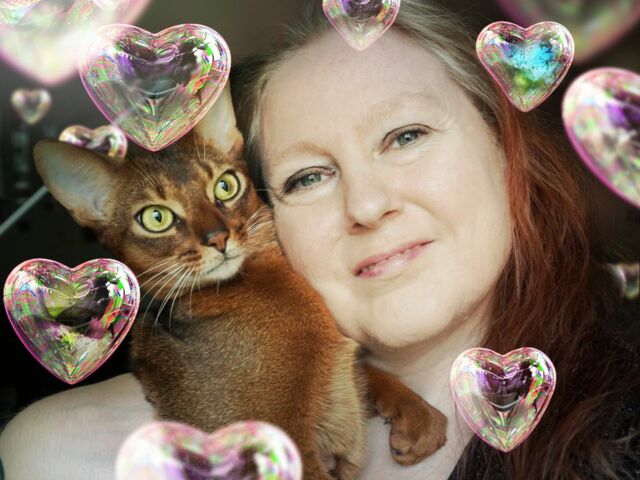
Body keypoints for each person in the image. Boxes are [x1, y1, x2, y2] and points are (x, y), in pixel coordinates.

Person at [1, 1, 639, 479]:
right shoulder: (73, 454)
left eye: (406, 136)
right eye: (306, 177)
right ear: (271, 210)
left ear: (508, 153)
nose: (366, 205)